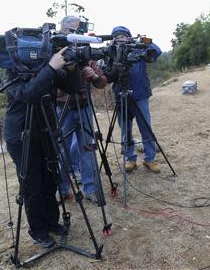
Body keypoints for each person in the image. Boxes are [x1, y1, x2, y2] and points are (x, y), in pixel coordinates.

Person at [4, 45, 75, 248]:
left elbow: (74, 87)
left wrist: (71, 69)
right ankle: (38, 230)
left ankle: (51, 222)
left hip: (45, 129)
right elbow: (28, 93)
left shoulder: (47, 66)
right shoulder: (12, 68)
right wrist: (50, 68)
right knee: (32, 184)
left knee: (50, 178)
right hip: (21, 134)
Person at [56, 16, 107, 203]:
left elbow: (102, 82)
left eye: (78, 31)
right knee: (62, 149)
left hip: (84, 107)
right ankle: (62, 188)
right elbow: (48, 83)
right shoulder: (57, 54)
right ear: (62, 31)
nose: (74, 34)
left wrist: (93, 76)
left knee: (87, 148)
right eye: (70, 30)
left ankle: (90, 189)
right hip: (63, 108)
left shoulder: (86, 54)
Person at [110, 25, 162, 173]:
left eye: (123, 36)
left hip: (140, 96)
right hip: (121, 96)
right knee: (125, 131)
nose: (121, 39)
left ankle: (149, 159)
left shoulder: (139, 49)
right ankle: (130, 159)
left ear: (129, 37)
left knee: (146, 128)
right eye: (117, 37)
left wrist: (145, 41)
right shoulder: (112, 53)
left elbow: (157, 52)